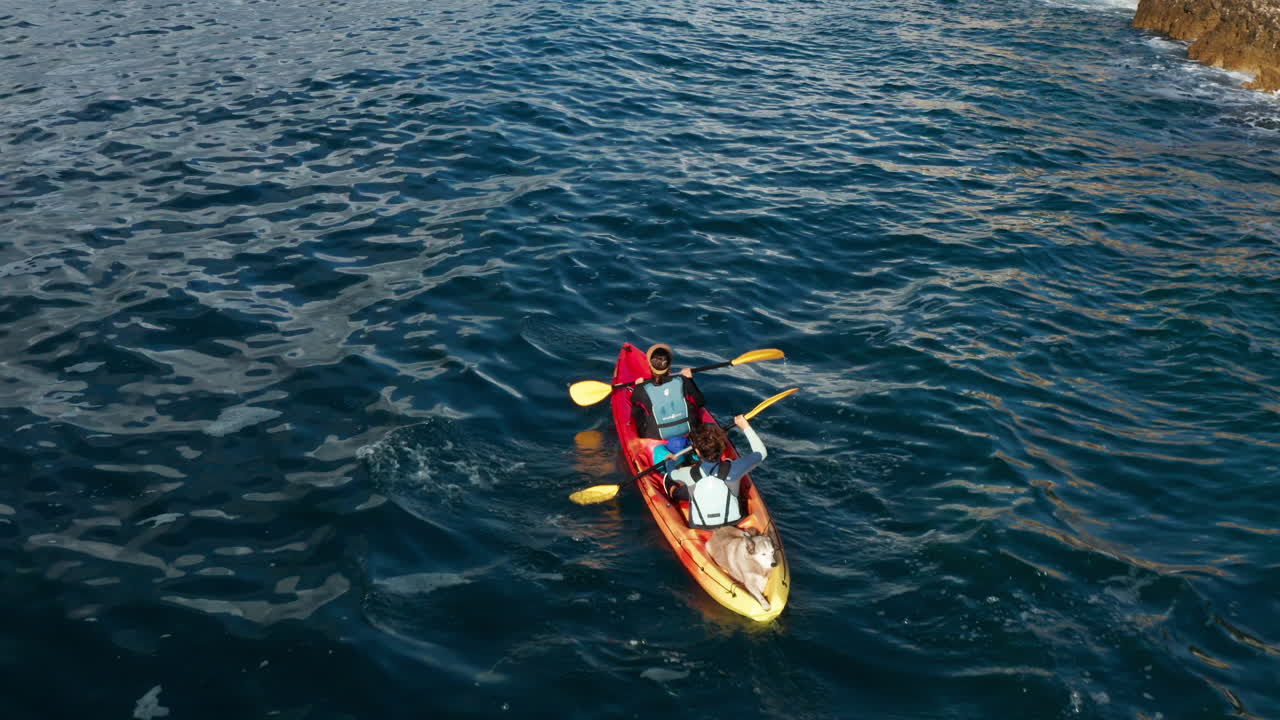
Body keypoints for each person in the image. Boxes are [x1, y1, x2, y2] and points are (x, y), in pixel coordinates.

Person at [663, 415, 767, 529]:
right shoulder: (735, 468)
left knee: (672, 481)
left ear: (697, 451)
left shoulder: (688, 473)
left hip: (700, 526)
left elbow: (672, 473)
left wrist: (670, 461)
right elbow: (761, 452)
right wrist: (745, 426)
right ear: (722, 448)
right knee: (729, 472)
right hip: (734, 524)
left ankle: (672, 492)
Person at [630, 343, 705, 441]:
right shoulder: (683, 380)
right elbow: (700, 402)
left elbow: (636, 414)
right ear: (669, 365)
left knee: (640, 411)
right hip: (690, 430)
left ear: (650, 364)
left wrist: (637, 386)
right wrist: (690, 379)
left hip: (657, 436)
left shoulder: (641, 388)